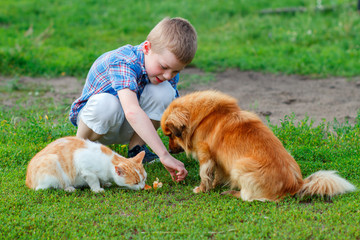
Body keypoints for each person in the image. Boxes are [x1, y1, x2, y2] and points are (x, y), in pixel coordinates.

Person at [69, 17, 197, 182]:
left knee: (165, 92)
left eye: (175, 71)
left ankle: (137, 149)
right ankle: (76, 150)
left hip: (129, 126)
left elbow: (173, 112)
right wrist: (164, 154)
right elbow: (131, 111)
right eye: (164, 67)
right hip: (98, 125)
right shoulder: (123, 61)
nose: (168, 75)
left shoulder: (166, 73)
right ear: (147, 47)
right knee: (108, 104)